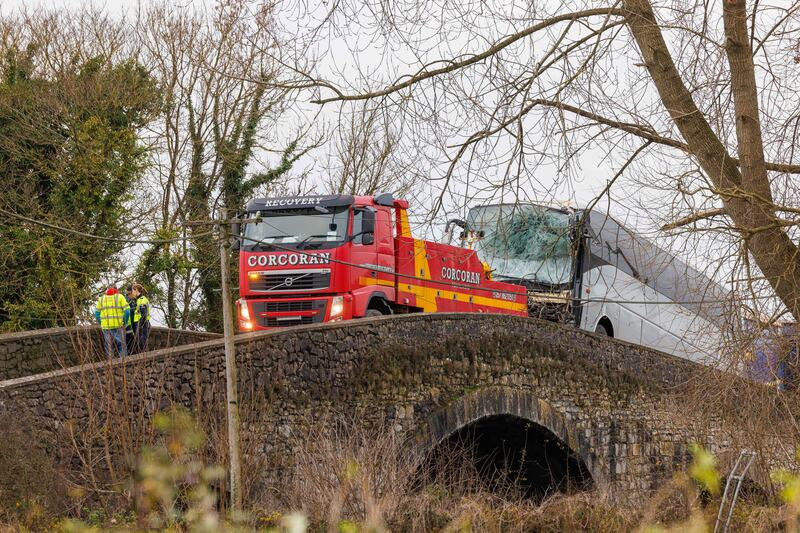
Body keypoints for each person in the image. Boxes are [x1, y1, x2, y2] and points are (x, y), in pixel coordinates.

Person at [95, 286, 129, 358]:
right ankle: (124, 365)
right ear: (117, 290)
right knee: (122, 346)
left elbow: (97, 314)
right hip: (119, 326)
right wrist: (124, 322)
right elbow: (127, 311)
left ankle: (111, 365)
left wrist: (102, 323)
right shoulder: (120, 297)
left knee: (109, 347)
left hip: (106, 328)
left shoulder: (101, 299)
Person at [127, 282, 151, 355]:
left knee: (142, 343)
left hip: (142, 324)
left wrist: (140, 325)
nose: (132, 293)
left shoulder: (143, 299)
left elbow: (143, 314)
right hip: (138, 324)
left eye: (133, 291)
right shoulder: (137, 300)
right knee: (138, 343)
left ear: (136, 290)